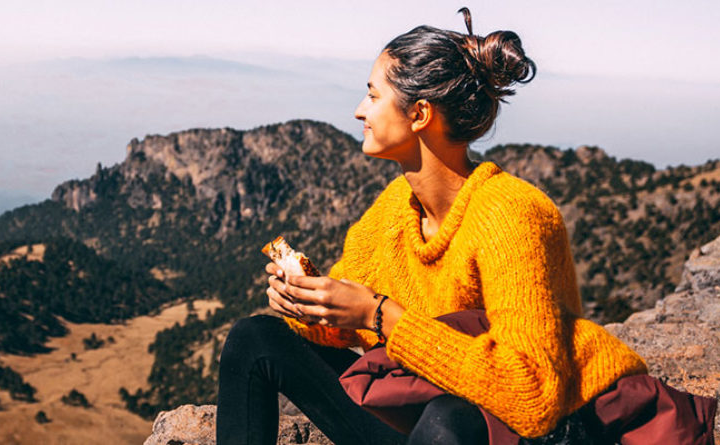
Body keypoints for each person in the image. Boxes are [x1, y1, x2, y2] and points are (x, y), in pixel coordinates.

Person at [215, 8, 653, 444]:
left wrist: (379, 314)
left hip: (524, 432)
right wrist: (308, 303)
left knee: (447, 420)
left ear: (420, 113)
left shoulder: (512, 215)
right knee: (255, 339)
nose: (358, 111)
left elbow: (532, 396)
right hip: (420, 418)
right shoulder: (393, 211)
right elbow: (344, 327)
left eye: (372, 95)